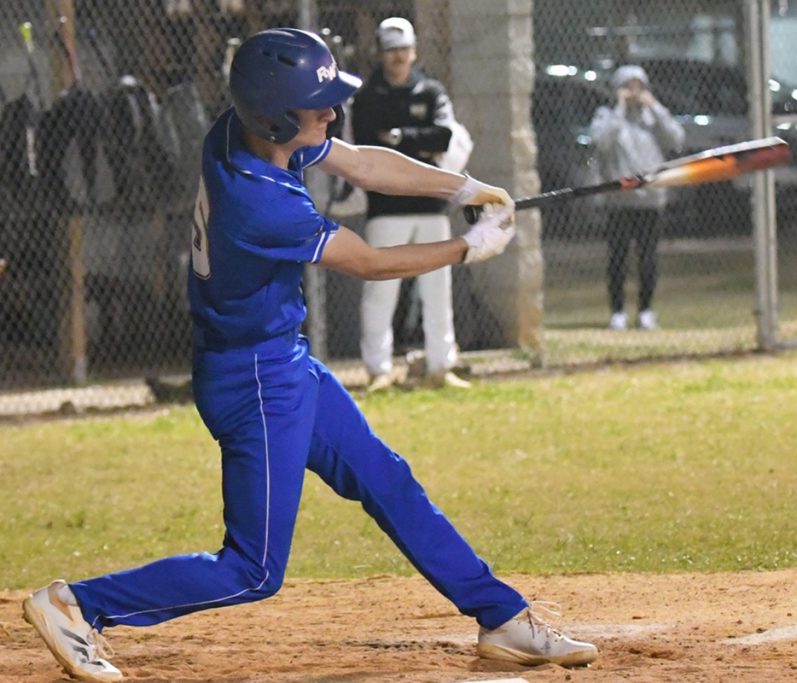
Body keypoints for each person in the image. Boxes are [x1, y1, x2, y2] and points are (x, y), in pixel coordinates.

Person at [21, 29, 597, 683]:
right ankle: (78, 605)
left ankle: (502, 617)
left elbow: (364, 164)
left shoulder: (240, 131)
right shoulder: (261, 202)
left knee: (386, 478)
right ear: (275, 114)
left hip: (279, 362)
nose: (330, 112)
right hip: (255, 380)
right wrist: (469, 248)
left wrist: (464, 188)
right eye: (316, 104)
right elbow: (371, 261)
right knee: (253, 570)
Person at [352, 17, 470, 391]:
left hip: (430, 205)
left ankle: (440, 365)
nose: (398, 57)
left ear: (414, 51)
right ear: (380, 54)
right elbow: (369, 145)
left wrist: (399, 137)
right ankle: (378, 369)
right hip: (386, 207)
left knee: (437, 289)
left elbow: (444, 136)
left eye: (403, 50)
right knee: (380, 290)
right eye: (391, 51)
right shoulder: (367, 96)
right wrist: (418, 144)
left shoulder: (431, 91)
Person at [590, 64, 685, 331]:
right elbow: (601, 142)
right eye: (627, 86)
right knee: (618, 257)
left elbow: (677, 139)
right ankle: (617, 311)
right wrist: (620, 109)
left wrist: (655, 107)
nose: (633, 92)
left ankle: (645, 311)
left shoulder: (652, 118)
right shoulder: (607, 116)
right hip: (619, 200)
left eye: (638, 86)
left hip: (650, 200)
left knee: (648, 257)